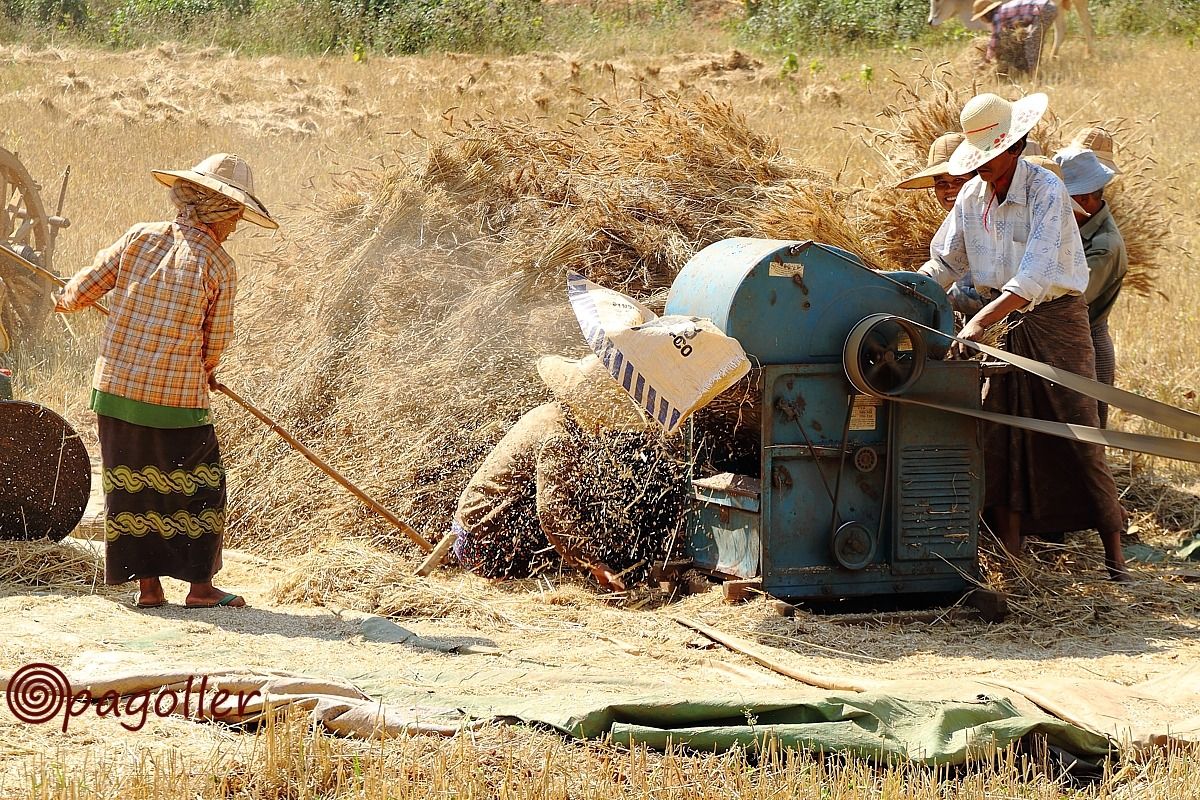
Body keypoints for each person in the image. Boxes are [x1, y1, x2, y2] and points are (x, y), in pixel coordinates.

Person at [918, 92, 1128, 581]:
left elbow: (1034, 276)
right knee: (1001, 435)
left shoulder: (1045, 190)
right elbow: (945, 262)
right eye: (979, 158)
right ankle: (1010, 554)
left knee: (1079, 430)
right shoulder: (972, 198)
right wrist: (905, 290)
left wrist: (977, 323)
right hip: (1003, 323)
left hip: (1055, 321)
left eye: (992, 156)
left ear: (1015, 148)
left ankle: (1115, 555)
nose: (983, 167)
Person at [55, 153, 278, 608]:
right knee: (200, 488)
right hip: (177, 398)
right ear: (219, 211)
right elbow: (216, 339)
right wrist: (207, 370)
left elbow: (81, 290)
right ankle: (201, 589)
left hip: (116, 391)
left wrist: (65, 298)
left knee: (132, 486)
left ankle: (149, 589)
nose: (236, 225)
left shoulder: (139, 236)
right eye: (234, 215)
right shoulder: (218, 264)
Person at [451, 354, 648, 591]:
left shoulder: (549, 412)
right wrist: (593, 563)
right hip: (483, 547)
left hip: (467, 530)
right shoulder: (559, 439)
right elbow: (552, 511)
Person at [1054, 148, 1126, 427]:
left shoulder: (1103, 246)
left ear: (1083, 199)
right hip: (1063, 344)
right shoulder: (1072, 225)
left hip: (1087, 349)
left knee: (1087, 438)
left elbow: (1070, 298)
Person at [897, 133, 982, 315]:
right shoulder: (954, 222)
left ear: (976, 180)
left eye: (958, 180)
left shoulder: (989, 216)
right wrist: (918, 282)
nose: (949, 189)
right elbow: (945, 265)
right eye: (941, 183)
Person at [974, 0, 1059, 75]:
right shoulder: (1003, 11)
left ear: (986, 15)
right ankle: (1033, 70)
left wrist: (987, 60)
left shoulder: (997, 16)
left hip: (1044, 9)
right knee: (1034, 39)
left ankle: (1033, 74)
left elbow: (995, 40)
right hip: (1048, 6)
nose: (982, 20)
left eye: (981, 17)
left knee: (1032, 41)